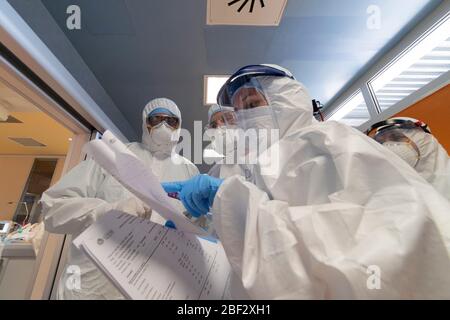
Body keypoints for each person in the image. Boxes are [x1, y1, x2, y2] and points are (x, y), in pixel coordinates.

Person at [162, 64, 450, 299]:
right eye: (241, 113)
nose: (246, 118)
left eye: (252, 103)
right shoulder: (260, 164)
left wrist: (230, 204)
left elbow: (371, 244)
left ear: (286, 99)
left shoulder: (329, 140)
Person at [41, 98, 198, 299]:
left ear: (179, 125)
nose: (163, 126)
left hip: (155, 286)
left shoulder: (189, 170)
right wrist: (107, 211)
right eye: (156, 119)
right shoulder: (114, 155)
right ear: (145, 122)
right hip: (93, 283)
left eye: (170, 121)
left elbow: (197, 228)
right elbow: (53, 208)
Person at [366, 117, 449, 202]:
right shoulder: (395, 196)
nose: (388, 146)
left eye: (396, 137)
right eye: (381, 142)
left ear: (423, 140)